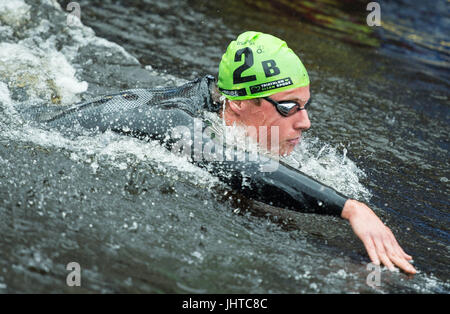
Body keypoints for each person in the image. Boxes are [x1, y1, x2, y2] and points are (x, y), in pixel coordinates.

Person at [23, 31, 416, 274]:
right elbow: (240, 167)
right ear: (239, 105)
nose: (305, 122)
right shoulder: (179, 125)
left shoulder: (223, 98)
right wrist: (350, 207)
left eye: (305, 104)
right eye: (287, 107)